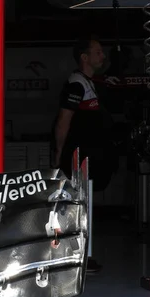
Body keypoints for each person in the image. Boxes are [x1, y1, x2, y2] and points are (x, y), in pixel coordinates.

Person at [51, 35, 116, 274]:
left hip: (88, 158)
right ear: (84, 57)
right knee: (75, 207)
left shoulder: (91, 83)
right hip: (77, 159)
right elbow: (63, 122)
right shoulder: (76, 83)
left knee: (84, 207)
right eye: (98, 52)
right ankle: (77, 258)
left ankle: (82, 256)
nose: (103, 56)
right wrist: (58, 155)